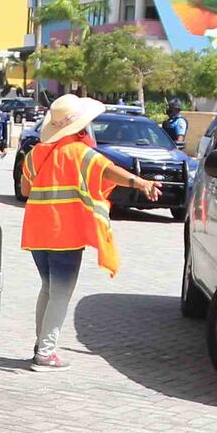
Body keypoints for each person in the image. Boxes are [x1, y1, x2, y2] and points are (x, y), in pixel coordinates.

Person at [18, 94, 141, 369]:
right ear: (81, 128)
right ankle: (45, 354)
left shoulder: (36, 153)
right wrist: (139, 182)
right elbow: (109, 171)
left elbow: (25, 190)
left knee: (48, 289)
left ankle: (41, 345)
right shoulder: (80, 153)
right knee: (60, 293)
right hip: (65, 233)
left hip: (37, 233)